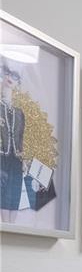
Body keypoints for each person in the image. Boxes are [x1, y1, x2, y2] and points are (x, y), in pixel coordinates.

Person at [0, 62, 26, 224]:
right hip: (1, 156)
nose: (10, 78)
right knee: (2, 193)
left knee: (14, 192)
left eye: (15, 76)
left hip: (16, 158)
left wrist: (22, 158)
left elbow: (20, 137)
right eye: (8, 74)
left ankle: (12, 226)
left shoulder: (19, 113)